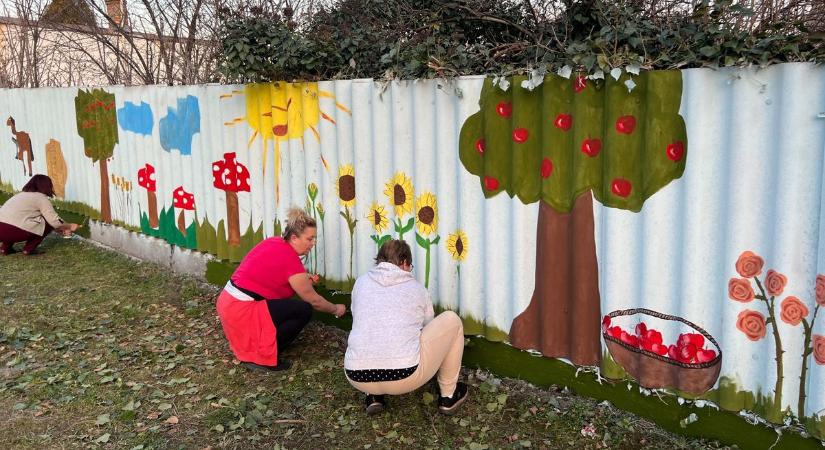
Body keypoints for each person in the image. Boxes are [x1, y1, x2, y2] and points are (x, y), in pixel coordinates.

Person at [344, 239, 469, 415]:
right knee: (452, 320)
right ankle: (448, 396)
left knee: (370, 327)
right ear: (403, 263)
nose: (410, 270)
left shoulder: (360, 283)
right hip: (405, 376)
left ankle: (373, 396)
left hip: (356, 375)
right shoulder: (417, 289)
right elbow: (428, 327)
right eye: (410, 266)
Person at [216, 207, 346, 372]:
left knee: (290, 307)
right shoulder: (291, 261)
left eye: (314, 239)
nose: (313, 243)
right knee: (304, 310)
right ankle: (262, 356)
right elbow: (314, 300)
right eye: (309, 239)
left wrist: (303, 278)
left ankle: (261, 343)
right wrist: (336, 309)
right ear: (294, 237)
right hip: (241, 311)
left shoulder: (275, 242)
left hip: (228, 303)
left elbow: (274, 274)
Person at [0, 174, 79, 255]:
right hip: (12, 231)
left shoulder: (20, 195)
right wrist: (69, 226)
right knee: (47, 222)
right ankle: (28, 250)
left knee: (13, 220)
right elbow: (54, 221)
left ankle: (4, 249)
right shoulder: (41, 198)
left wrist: (60, 228)